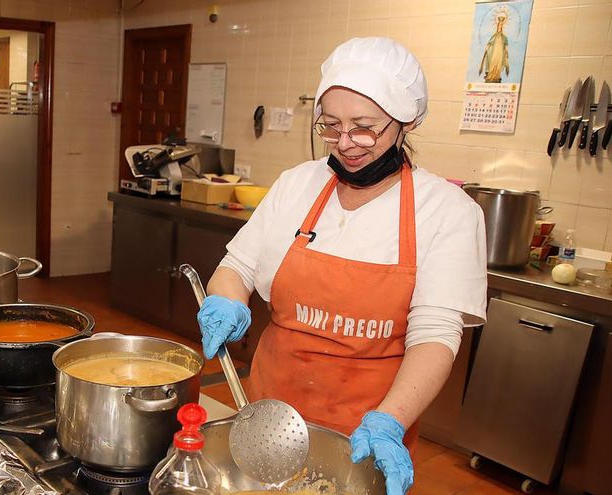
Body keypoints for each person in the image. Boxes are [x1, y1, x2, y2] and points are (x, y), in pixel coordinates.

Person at [196, 37, 487, 495]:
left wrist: (391, 421)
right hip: (269, 415)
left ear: (406, 121)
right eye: (330, 127)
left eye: (364, 127)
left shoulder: (446, 210)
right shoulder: (298, 184)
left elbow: (435, 334)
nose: (345, 144)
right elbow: (238, 265)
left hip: (366, 430)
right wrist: (225, 298)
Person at [479, 12, 510, 83]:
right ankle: (491, 75)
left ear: (502, 27)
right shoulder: (494, 36)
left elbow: (506, 46)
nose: (499, 26)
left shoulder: (504, 37)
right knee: (492, 63)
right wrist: (486, 51)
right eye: (498, 25)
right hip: (493, 53)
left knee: (498, 64)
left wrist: (507, 53)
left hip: (500, 54)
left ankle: (496, 76)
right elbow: (489, 44)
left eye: (501, 25)